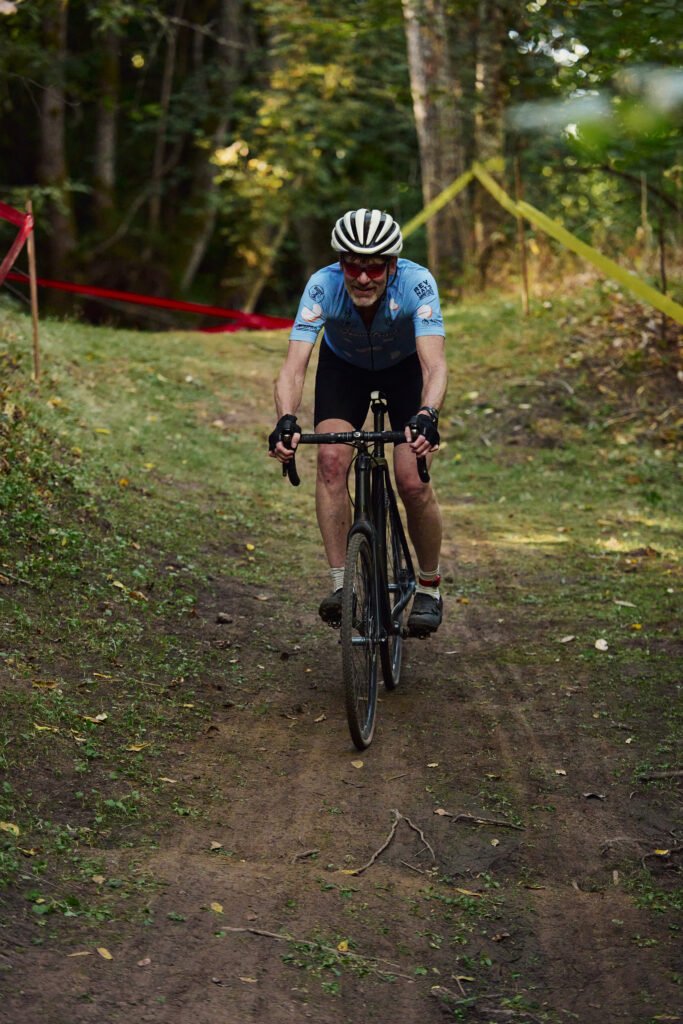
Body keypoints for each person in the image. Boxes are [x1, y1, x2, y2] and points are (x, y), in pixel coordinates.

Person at [268, 208, 447, 635]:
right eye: (353, 266)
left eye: (374, 268)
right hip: (344, 369)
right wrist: (286, 419)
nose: (363, 278)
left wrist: (427, 413)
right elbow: (293, 367)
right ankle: (342, 586)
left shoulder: (418, 283)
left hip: (404, 370)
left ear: (392, 265)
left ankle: (429, 587)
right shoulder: (322, 285)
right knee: (331, 462)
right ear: (340, 263)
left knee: (412, 481)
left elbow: (434, 365)